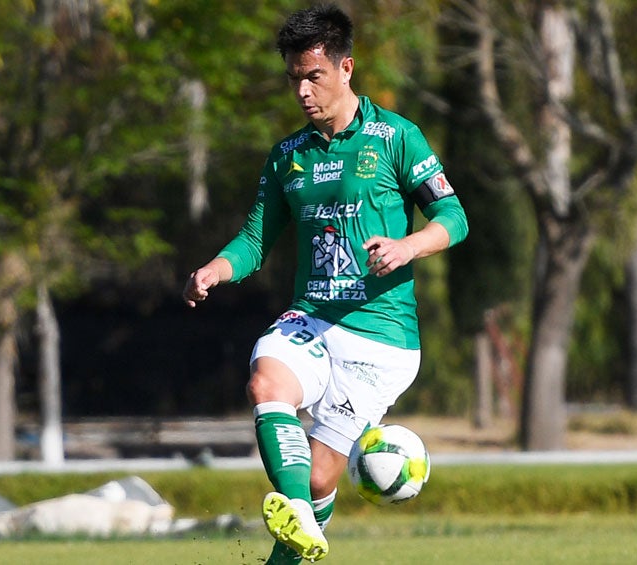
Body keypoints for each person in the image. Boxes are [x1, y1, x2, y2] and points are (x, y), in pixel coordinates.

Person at [182, 4, 468, 563]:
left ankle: (294, 542)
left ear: (345, 69)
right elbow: (255, 239)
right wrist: (217, 268)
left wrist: (407, 246)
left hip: (381, 337)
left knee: (318, 479)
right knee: (267, 384)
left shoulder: (395, 137)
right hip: (313, 316)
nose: (303, 92)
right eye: (294, 79)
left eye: (313, 76)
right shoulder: (288, 156)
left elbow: (454, 218)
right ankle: (296, 520)